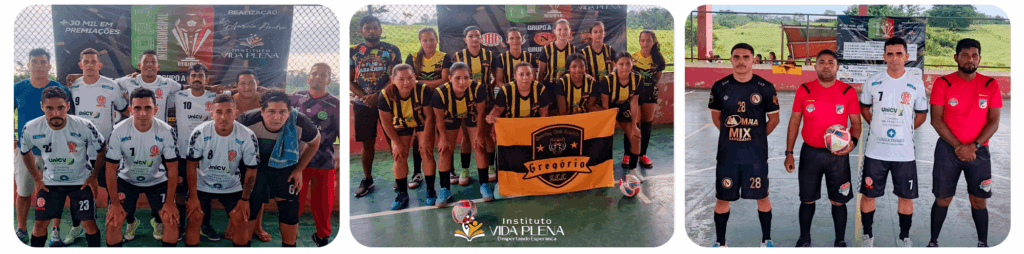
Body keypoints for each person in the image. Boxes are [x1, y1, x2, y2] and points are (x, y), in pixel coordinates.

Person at [927, 38, 1001, 248]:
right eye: (965, 55)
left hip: (979, 152)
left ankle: (982, 244)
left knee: (979, 200)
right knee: (943, 199)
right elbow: (936, 119)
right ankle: (933, 242)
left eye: (975, 55)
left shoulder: (990, 84)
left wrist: (974, 146)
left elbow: (994, 122)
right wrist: (960, 147)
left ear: (979, 58)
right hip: (947, 151)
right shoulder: (943, 83)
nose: (970, 60)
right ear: (956, 57)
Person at [783, 49, 860, 247]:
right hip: (811, 153)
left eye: (830, 62)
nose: (826, 65)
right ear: (815, 65)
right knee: (807, 199)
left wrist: (853, 143)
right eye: (822, 62)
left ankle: (840, 241)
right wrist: (789, 153)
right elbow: (794, 122)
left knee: (838, 201)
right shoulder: (805, 90)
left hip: (838, 156)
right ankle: (804, 238)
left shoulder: (847, 91)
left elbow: (856, 124)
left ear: (837, 67)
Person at [857, 37, 928, 247]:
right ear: (884, 57)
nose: (894, 58)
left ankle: (905, 237)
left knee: (906, 198)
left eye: (899, 54)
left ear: (906, 56)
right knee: (869, 195)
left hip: (904, 153)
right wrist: (876, 126)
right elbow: (864, 108)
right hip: (875, 152)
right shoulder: (873, 81)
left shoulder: (915, 84)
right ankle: (867, 235)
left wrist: (905, 131)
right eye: (890, 54)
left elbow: (922, 114)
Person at [708, 43, 781, 247]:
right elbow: (717, 118)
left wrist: (756, 136)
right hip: (728, 155)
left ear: (753, 60)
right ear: (731, 59)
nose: (741, 61)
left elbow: (774, 119)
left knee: (763, 197)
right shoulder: (719, 86)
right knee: (723, 199)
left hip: (755, 155)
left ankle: (766, 241)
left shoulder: (765, 87)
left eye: (746, 57)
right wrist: (733, 135)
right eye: (737, 56)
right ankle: (720, 243)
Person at [236, 90, 322, 247]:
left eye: (282, 112)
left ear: (289, 112)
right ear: (262, 111)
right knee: (250, 209)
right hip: (256, 168)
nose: (276, 117)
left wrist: (299, 169)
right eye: (271, 111)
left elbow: (315, 142)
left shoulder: (301, 122)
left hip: (285, 169)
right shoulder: (246, 121)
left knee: (290, 210)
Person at [21, 87, 105, 247]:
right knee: (39, 226)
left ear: (67, 106)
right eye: (49, 108)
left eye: (60, 107)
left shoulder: (84, 125)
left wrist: (93, 177)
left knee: (89, 224)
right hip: (50, 184)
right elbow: (25, 152)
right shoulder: (31, 128)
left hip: (81, 183)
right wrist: (37, 179)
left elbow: (102, 148)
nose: (56, 113)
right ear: (42, 107)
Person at [103, 88, 180, 247]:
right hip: (127, 180)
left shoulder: (167, 131)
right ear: (130, 110)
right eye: (137, 108)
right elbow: (110, 169)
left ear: (156, 110)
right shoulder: (118, 131)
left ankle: (158, 220)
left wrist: (171, 202)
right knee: (113, 223)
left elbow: (172, 169)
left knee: (171, 221)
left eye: (148, 108)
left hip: (157, 180)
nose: (143, 113)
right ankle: (131, 221)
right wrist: (115, 204)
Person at [66, 47, 126, 243]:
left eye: (93, 61)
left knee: (110, 188)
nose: (90, 65)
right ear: (80, 65)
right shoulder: (72, 85)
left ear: (100, 65)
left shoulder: (111, 86)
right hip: (79, 149)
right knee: (77, 189)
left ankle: (113, 222)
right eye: (86, 62)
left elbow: (125, 110)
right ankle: (77, 226)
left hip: (105, 149)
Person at [183, 94, 260, 247]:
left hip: (231, 185)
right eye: (218, 112)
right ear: (212, 114)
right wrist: (193, 196)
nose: (223, 117)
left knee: (240, 219)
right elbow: (191, 166)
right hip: (202, 184)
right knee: (194, 217)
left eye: (229, 112)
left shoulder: (247, 136)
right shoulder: (199, 133)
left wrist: (245, 200)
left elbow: (251, 170)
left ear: (236, 114)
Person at [14, 48, 71, 245]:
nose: (38, 66)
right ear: (29, 65)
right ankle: (21, 230)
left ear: (49, 65)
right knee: (23, 192)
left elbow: (69, 119)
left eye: (42, 62)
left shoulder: (60, 89)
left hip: (55, 151)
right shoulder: (17, 89)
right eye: (34, 62)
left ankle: (55, 232)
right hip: (25, 151)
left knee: (56, 192)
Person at [165, 63, 219, 242]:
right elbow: (157, 88)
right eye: (194, 76)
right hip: (182, 154)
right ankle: (180, 226)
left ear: (206, 79)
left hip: (206, 155)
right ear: (188, 79)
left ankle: (204, 225)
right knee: (180, 192)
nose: (197, 79)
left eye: (201, 76)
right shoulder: (178, 96)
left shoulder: (215, 97)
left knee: (205, 192)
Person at [351, 15, 402, 198]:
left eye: (375, 27)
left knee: (393, 139)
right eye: (367, 28)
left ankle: (399, 175)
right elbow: (350, 80)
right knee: (367, 142)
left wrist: (378, 95)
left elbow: (396, 78)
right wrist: (365, 97)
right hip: (363, 104)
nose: (372, 31)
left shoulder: (392, 50)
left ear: (380, 29)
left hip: (388, 101)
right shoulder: (354, 51)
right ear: (361, 31)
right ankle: (367, 179)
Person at [290, 63, 341, 246]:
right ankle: (290, 238)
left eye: (323, 75)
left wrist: (338, 158)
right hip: (297, 162)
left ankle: (322, 237)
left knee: (323, 205)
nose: (318, 77)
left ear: (329, 79)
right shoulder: (296, 98)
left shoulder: (336, 105)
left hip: (324, 161)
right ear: (308, 78)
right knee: (294, 202)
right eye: (315, 74)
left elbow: (341, 135)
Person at [378, 64, 436, 210]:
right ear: (392, 80)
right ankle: (403, 194)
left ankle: (431, 191)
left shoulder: (423, 90)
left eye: (410, 78)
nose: (406, 82)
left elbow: (429, 117)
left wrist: (425, 139)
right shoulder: (385, 95)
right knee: (399, 155)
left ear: (415, 77)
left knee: (426, 151)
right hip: (400, 124)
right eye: (401, 79)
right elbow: (385, 122)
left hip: (421, 121)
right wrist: (396, 142)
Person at [431, 62, 487, 207]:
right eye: (457, 78)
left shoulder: (478, 89)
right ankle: (444, 189)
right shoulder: (440, 93)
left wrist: (479, 134)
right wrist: (442, 138)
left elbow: (481, 114)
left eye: (466, 78)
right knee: (445, 150)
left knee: (479, 146)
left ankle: (484, 185)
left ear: (470, 78)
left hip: (471, 114)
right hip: (450, 116)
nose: (462, 82)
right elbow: (439, 119)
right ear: (449, 78)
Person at [404, 27, 451, 189]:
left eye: (432, 39)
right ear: (420, 42)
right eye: (425, 40)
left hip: (440, 101)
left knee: (443, 134)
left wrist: (419, 83)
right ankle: (417, 173)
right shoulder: (412, 58)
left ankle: (450, 170)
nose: (429, 43)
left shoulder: (444, 57)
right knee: (419, 138)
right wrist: (429, 84)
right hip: (418, 103)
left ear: (437, 40)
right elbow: (408, 81)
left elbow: (445, 81)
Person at [451, 26, 497, 185]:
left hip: (486, 101)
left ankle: (491, 166)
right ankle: (465, 169)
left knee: (487, 134)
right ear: (465, 40)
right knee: (466, 137)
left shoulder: (489, 55)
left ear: (481, 38)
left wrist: (487, 91)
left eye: (477, 36)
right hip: (465, 102)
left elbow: (495, 78)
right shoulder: (458, 56)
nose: (475, 39)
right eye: (471, 36)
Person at [593, 52, 647, 181]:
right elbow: (605, 105)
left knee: (635, 136)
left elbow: (634, 103)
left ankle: (633, 170)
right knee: (605, 138)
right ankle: (602, 168)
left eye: (628, 63)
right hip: (608, 109)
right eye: (621, 64)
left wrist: (634, 126)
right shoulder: (608, 80)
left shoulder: (637, 79)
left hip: (623, 107)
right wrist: (609, 124)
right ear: (615, 65)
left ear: (632, 64)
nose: (625, 67)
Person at [232, 69, 271, 242]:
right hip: (234, 151)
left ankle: (257, 226)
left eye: (251, 83)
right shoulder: (230, 102)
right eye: (243, 83)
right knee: (234, 190)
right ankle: (231, 225)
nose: (247, 87)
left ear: (257, 85)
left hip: (259, 151)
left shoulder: (265, 101)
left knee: (258, 190)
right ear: (236, 86)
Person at [632, 30, 666, 169]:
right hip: (634, 95)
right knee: (634, 123)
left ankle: (643, 155)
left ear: (654, 41)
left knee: (647, 124)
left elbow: (657, 78)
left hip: (650, 94)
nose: (645, 43)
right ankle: (630, 154)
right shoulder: (632, 57)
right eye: (643, 40)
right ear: (639, 41)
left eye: (649, 40)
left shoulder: (658, 60)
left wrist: (649, 88)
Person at [117, 49, 182, 123]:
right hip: (135, 131)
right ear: (139, 65)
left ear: (158, 67)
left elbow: (185, 89)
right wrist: (122, 107)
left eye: (153, 62)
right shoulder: (129, 81)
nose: (149, 64)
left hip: (159, 131)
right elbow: (110, 84)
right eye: (145, 62)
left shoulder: (167, 83)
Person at [538, 19, 578, 85]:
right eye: (559, 29)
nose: (563, 32)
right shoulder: (546, 50)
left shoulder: (574, 50)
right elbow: (540, 73)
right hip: (550, 88)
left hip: (568, 86)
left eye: (565, 29)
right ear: (554, 31)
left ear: (569, 31)